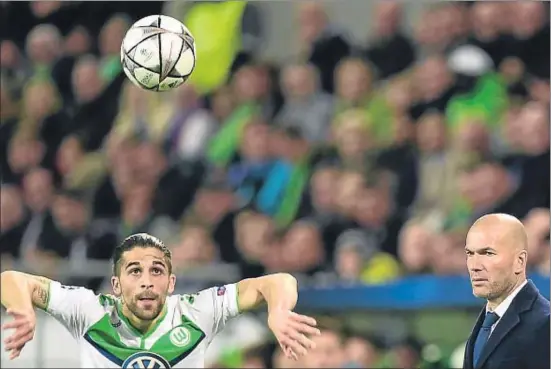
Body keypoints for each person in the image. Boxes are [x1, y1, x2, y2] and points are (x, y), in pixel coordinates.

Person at [0, 233, 320, 368]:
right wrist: (23, 309)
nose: (146, 281)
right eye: (134, 271)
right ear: (115, 284)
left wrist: (278, 310)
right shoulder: (88, 310)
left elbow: (278, 281)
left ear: (171, 283)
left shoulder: (197, 311)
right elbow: (12, 279)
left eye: (156, 271)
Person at [463, 213, 550, 369]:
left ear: (519, 261)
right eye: (470, 253)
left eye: (488, 253)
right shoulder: (486, 322)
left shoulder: (545, 324)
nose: (474, 266)